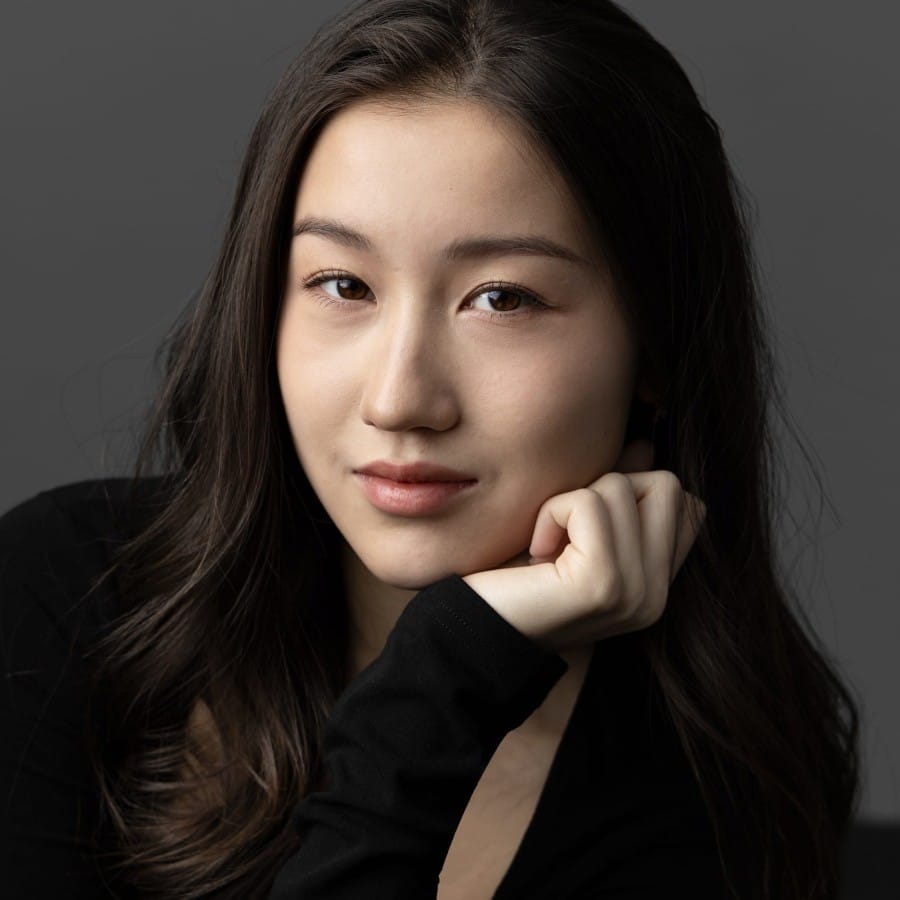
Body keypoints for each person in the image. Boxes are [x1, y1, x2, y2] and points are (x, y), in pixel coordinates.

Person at [0, 0, 861, 898]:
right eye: (342, 284)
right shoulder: (66, 606)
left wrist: (451, 672)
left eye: (503, 299)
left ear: (656, 344)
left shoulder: (722, 779)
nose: (400, 398)